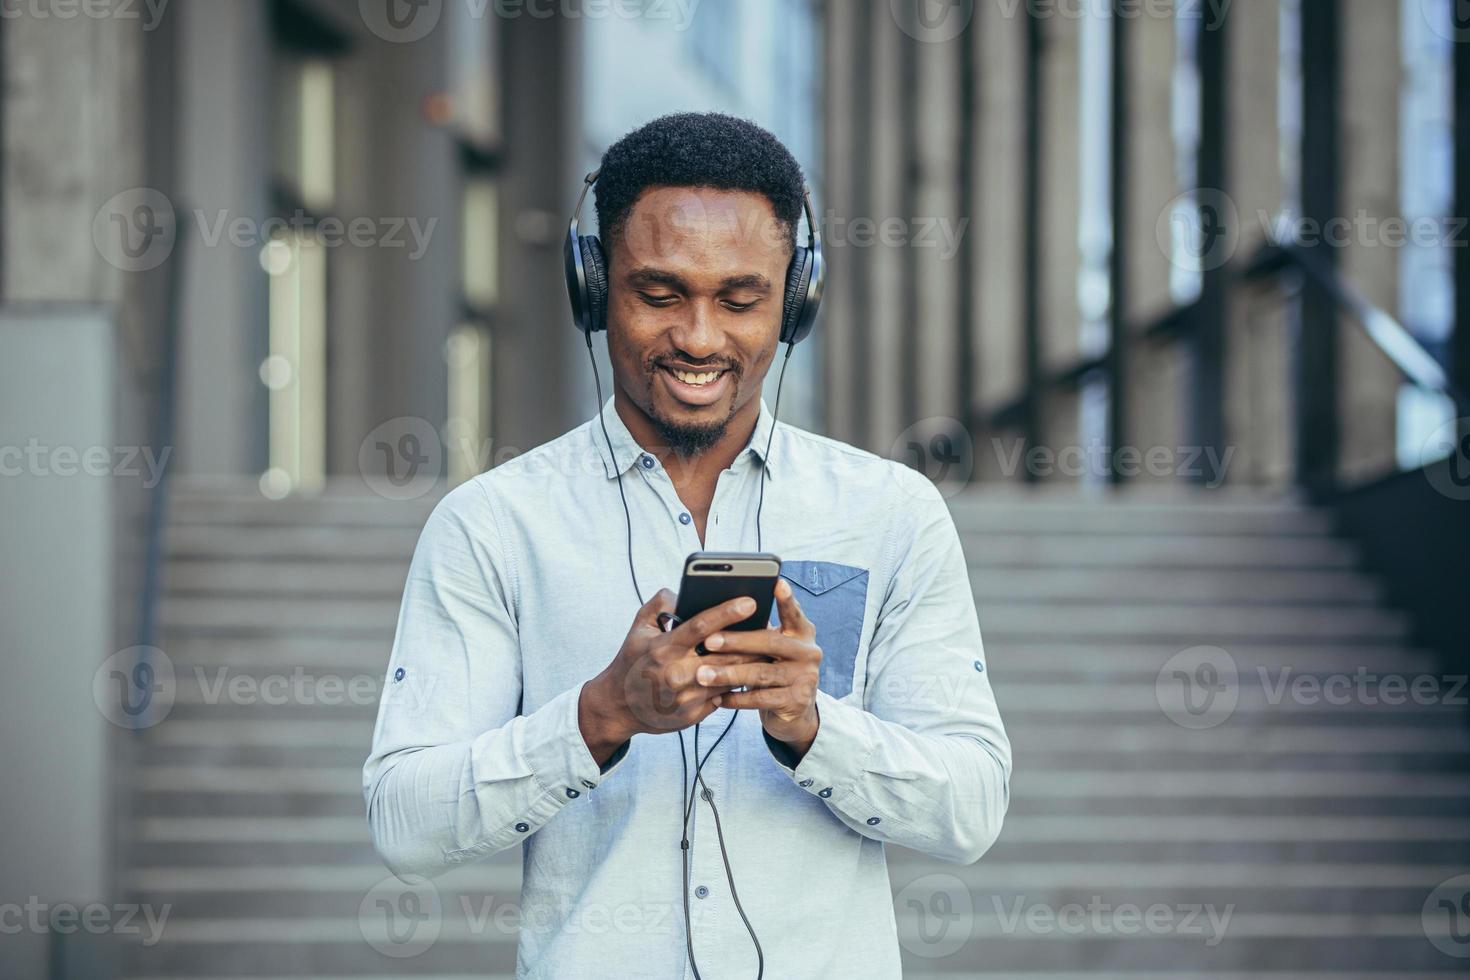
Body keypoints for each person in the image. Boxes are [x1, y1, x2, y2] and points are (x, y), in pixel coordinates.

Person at [363, 111, 1010, 979]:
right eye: (659, 295)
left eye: (741, 299)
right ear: (593, 288)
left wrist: (812, 729)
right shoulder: (494, 525)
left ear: (796, 299)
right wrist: (600, 716)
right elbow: (406, 827)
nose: (701, 338)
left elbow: (969, 811)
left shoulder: (892, 512)